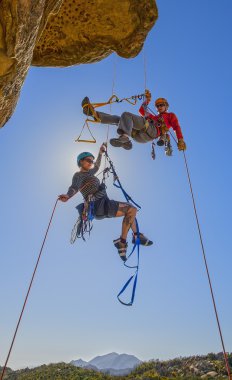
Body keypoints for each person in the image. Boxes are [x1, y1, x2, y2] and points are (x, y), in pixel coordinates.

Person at [58, 144, 153, 261]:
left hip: (104, 202)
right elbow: (74, 187)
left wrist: (100, 153)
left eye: (91, 162)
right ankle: (124, 241)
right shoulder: (78, 175)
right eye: (88, 161)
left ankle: (134, 236)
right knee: (131, 209)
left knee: (131, 211)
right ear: (81, 161)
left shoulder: (89, 173)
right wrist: (68, 195)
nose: (91, 163)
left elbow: (97, 166)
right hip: (98, 205)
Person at [81, 91, 186, 151]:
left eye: (161, 105)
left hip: (152, 131)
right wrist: (147, 100)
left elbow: (177, 127)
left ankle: (125, 137)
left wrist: (180, 140)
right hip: (139, 136)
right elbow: (141, 110)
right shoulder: (152, 116)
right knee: (121, 119)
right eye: (157, 106)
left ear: (166, 106)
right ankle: (95, 114)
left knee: (126, 115)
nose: (159, 107)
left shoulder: (170, 115)